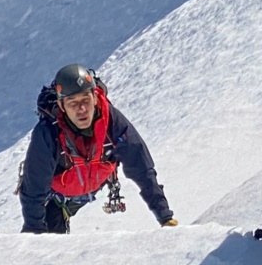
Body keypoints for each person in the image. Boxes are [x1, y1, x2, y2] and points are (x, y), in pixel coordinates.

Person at [19, 64, 177, 233]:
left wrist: (164, 216)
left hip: (89, 183)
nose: (81, 109)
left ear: (95, 97)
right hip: (57, 199)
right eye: (73, 103)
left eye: (86, 100)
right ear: (61, 105)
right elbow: (34, 189)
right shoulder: (48, 132)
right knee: (50, 243)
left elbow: (141, 168)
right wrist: (34, 236)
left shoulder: (111, 120)